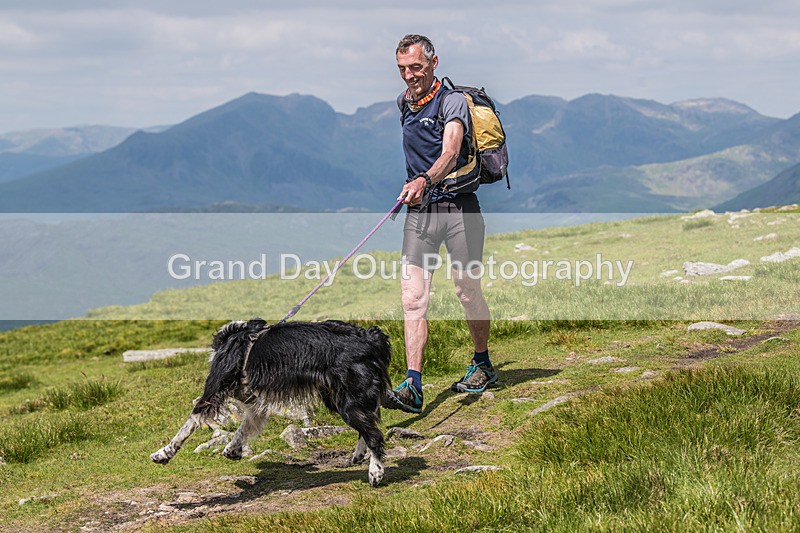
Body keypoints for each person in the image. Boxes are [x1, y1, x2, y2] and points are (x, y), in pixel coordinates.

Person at [383, 34, 496, 415]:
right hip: (420, 214)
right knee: (413, 299)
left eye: (415, 67)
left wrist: (424, 180)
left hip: (459, 209)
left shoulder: (453, 102)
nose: (409, 76)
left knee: (466, 291)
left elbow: (450, 150)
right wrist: (416, 190)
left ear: (433, 62)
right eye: (402, 69)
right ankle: (413, 383)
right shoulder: (405, 103)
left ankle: (482, 362)